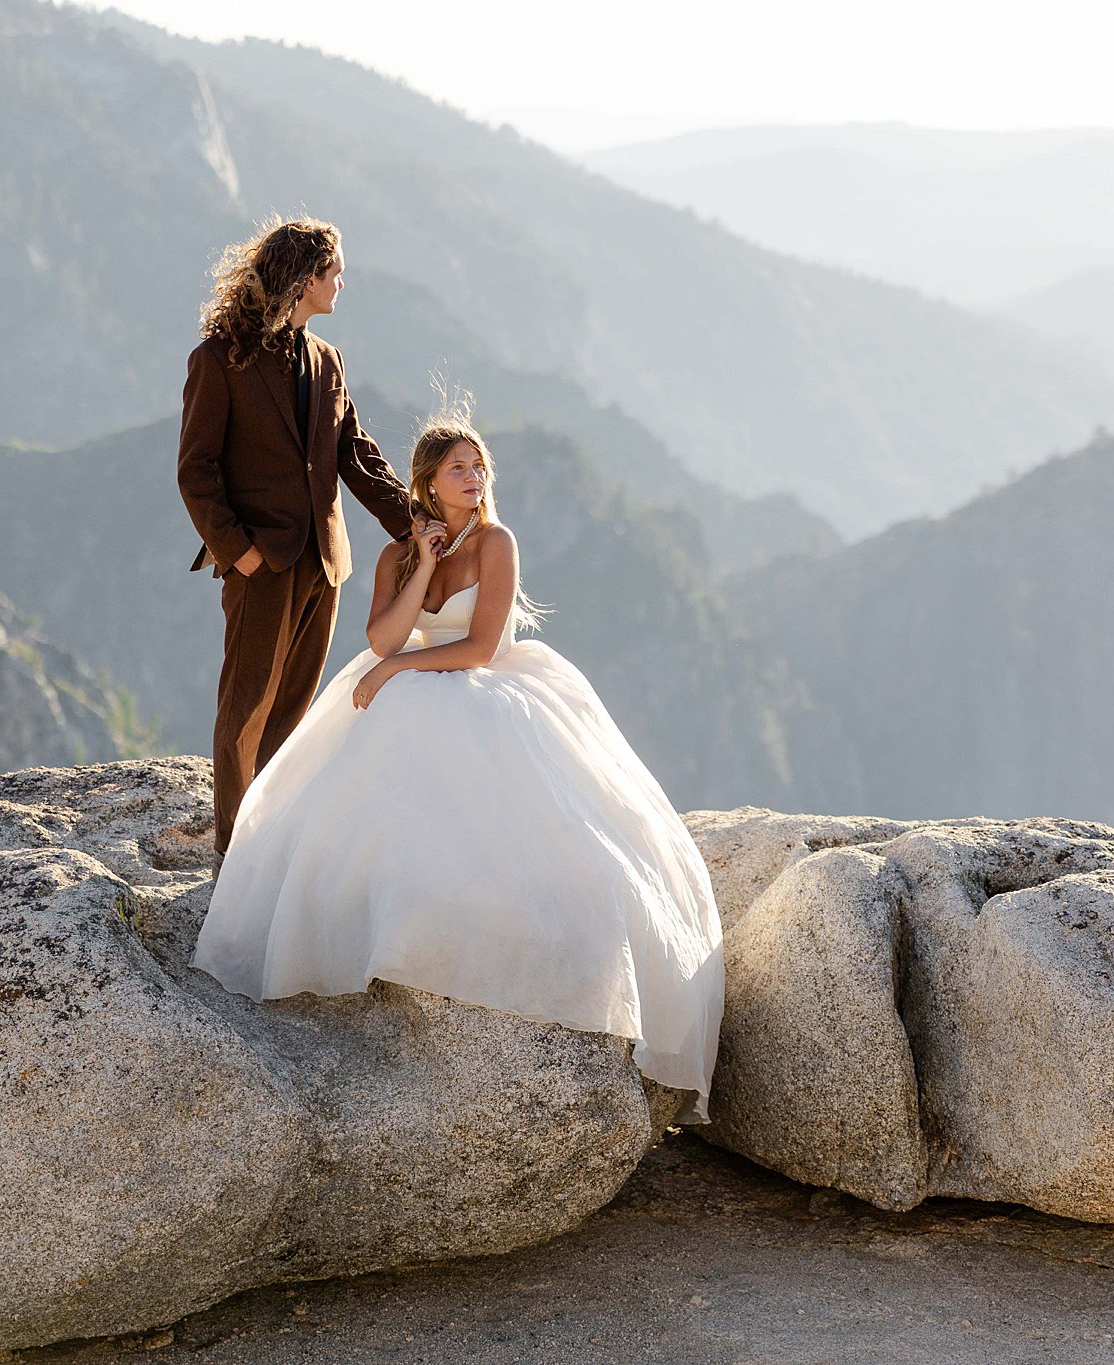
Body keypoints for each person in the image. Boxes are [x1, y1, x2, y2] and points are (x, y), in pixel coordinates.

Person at [189, 401, 724, 1119]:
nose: (474, 477)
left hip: (486, 688)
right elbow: (383, 638)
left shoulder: (498, 542)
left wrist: (398, 673)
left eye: (479, 466)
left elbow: (478, 649)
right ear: (428, 485)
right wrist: (423, 565)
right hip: (409, 673)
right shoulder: (395, 555)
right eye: (458, 468)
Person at [177, 216, 417, 855]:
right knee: (244, 714)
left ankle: (271, 848)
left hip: (322, 563)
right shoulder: (219, 359)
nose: (343, 283)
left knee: (290, 715)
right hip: (262, 563)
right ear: (306, 278)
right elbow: (196, 472)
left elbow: (353, 453)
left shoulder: (327, 359)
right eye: (335, 272)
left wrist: (414, 521)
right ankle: (234, 859)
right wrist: (241, 553)